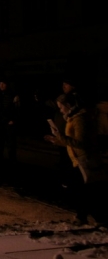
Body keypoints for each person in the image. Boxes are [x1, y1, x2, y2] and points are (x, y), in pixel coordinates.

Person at [45, 94, 108, 225]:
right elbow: (71, 142)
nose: (61, 110)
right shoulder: (72, 118)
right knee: (83, 189)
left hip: (84, 159)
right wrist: (56, 141)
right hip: (77, 160)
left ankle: (92, 216)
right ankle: (87, 216)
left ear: (68, 105)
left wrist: (60, 136)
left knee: (84, 189)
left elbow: (80, 142)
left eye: (61, 107)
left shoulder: (79, 119)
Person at [0, 79, 19, 165]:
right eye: (0, 84)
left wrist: (13, 120)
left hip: (8, 122)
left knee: (10, 144)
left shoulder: (13, 95)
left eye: (3, 84)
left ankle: (12, 161)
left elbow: (17, 109)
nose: (1, 85)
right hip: (0, 122)